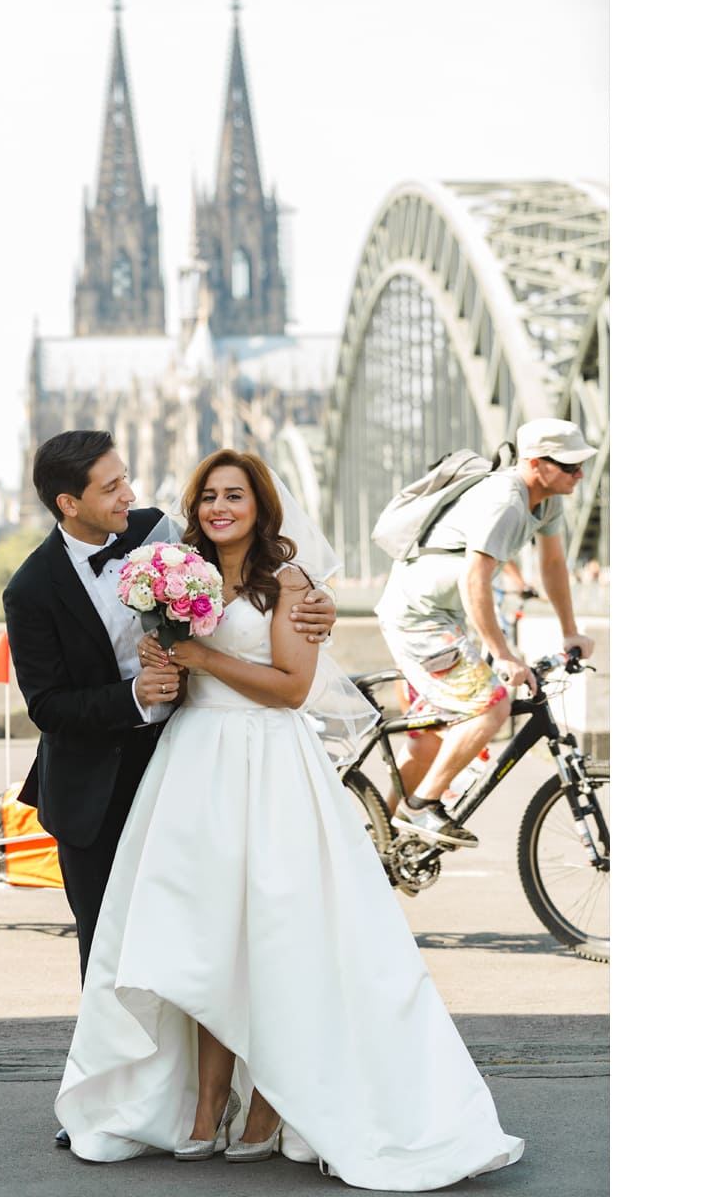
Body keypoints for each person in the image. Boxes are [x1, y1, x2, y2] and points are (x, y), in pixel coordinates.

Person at [53, 448, 523, 1188]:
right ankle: (208, 1102)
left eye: (234, 495)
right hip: (193, 766)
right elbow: (174, 667)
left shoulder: (291, 584)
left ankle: (271, 1100)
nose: (218, 508)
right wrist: (165, 661)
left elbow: (291, 690)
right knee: (203, 939)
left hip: (269, 768)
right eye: (208, 496)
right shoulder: (176, 569)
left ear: (260, 505)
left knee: (277, 937)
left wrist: (201, 658)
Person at [1, 430, 336, 1151]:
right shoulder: (29, 589)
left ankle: (221, 1102)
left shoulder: (163, 535)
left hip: (191, 770)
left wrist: (321, 607)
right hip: (92, 788)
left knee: (217, 939)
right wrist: (131, 696)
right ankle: (112, 1104)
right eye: (112, 487)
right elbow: (49, 705)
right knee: (115, 951)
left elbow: (262, 579)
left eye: (126, 479)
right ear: (70, 502)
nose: (130, 494)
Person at [373, 417, 598, 845]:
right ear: (535, 463)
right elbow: (473, 579)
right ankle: (421, 810)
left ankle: (374, 845)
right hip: (419, 619)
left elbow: (552, 566)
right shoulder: (506, 501)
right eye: (569, 465)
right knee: (491, 706)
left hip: (444, 619)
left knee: (428, 745)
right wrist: (504, 654)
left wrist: (570, 631)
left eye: (580, 464)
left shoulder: (547, 501)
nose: (579, 474)